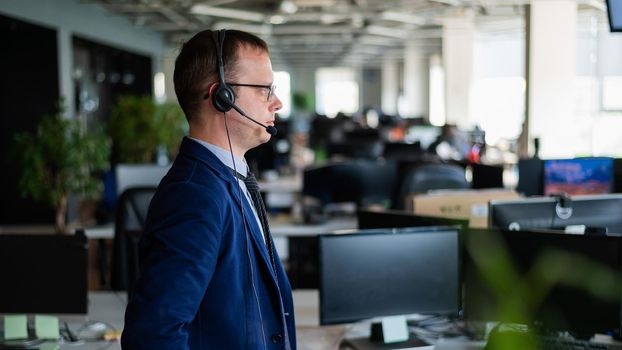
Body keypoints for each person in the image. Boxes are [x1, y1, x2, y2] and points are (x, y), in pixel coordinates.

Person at [121, 29, 296, 350]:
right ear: (222, 96)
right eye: (264, 90)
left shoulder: (233, 177)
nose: (277, 103)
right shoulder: (194, 196)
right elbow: (153, 337)